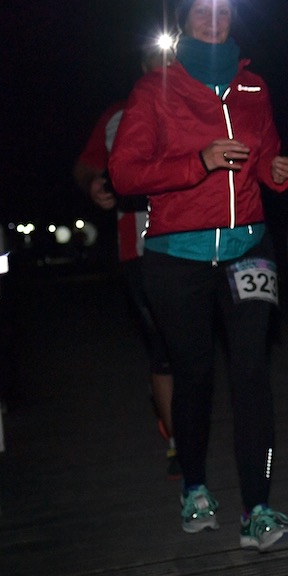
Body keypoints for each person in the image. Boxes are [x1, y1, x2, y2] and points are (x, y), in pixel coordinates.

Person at [109, 0, 288, 553]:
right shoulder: (153, 90)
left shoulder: (253, 86)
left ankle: (258, 508)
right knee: (193, 376)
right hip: (178, 258)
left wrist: (278, 170)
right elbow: (125, 175)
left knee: (252, 377)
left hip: (248, 251)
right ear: (184, 22)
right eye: (202, 12)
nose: (214, 20)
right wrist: (199, 161)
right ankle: (194, 487)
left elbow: (265, 159)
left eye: (223, 11)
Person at [72, 46, 179, 478]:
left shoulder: (203, 100)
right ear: (141, 67)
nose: (163, 65)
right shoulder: (118, 114)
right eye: (154, 57)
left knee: (195, 342)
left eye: (172, 55)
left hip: (200, 241)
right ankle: (178, 441)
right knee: (162, 344)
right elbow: (84, 166)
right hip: (139, 246)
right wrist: (93, 184)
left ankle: (185, 418)